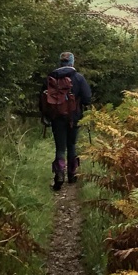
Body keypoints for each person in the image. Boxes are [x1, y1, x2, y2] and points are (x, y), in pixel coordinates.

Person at [45, 51, 93, 191]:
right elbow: (87, 98)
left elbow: (43, 99)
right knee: (72, 145)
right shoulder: (78, 78)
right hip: (74, 117)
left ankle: (59, 174)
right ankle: (72, 174)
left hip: (56, 118)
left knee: (60, 147)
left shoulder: (51, 78)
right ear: (72, 62)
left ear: (60, 62)